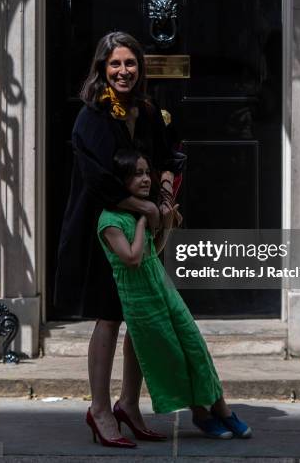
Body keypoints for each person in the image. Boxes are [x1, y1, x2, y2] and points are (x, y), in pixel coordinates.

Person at [54, 32, 183, 448]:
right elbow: (98, 181)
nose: (123, 71)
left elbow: (168, 155)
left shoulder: (145, 112)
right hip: (105, 228)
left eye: (130, 64)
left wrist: (163, 198)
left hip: (144, 228)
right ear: (101, 69)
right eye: (115, 64)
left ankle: (130, 403)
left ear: (139, 69)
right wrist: (142, 207)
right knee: (109, 316)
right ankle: (100, 409)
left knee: (142, 316)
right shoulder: (91, 118)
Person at [93, 148, 252, 446]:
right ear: (122, 180)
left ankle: (220, 407)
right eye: (136, 174)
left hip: (163, 288)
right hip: (140, 300)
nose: (144, 179)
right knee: (171, 357)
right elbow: (132, 258)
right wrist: (143, 220)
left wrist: (163, 224)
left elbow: (154, 249)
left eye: (145, 173)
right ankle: (201, 414)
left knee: (194, 345)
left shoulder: (140, 209)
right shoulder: (111, 220)